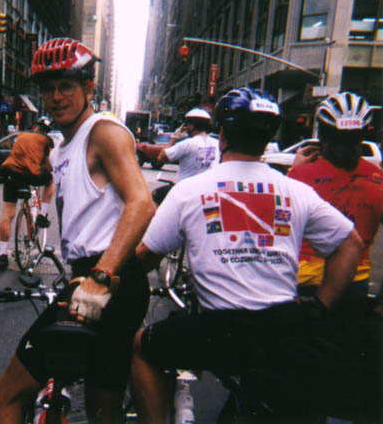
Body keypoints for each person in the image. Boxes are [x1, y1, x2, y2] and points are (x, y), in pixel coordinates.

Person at [130, 87, 365, 424]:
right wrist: (319, 307)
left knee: (141, 347)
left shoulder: (189, 191)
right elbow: (351, 244)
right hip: (284, 327)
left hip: (221, 332)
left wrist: (107, 278)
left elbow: (145, 257)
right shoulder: (296, 190)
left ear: (222, 135)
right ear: (267, 139)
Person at [0, 37, 155, 424]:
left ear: (88, 88)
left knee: (7, 393)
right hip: (104, 280)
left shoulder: (104, 132)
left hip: (104, 278)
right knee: (102, 408)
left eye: (66, 86)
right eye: (47, 88)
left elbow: (142, 203)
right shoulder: (66, 145)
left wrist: (101, 276)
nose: (55, 97)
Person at [288, 91, 383, 319]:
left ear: (323, 136)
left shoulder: (300, 175)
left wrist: (293, 171)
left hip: (306, 286)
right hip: (354, 283)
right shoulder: (376, 177)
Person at [0, 115, 55, 270]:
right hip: (30, 174)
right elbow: (49, 163)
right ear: (47, 131)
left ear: (34, 127)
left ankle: (3, 254)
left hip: (10, 172)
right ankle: (42, 215)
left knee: (8, 213)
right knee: (50, 181)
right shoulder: (47, 141)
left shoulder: (21, 136)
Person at [156, 107, 219, 182]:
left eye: (187, 125)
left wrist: (174, 137)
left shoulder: (187, 144)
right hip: (208, 186)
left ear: (192, 126)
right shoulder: (217, 144)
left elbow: (161, 157)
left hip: (184, 186)